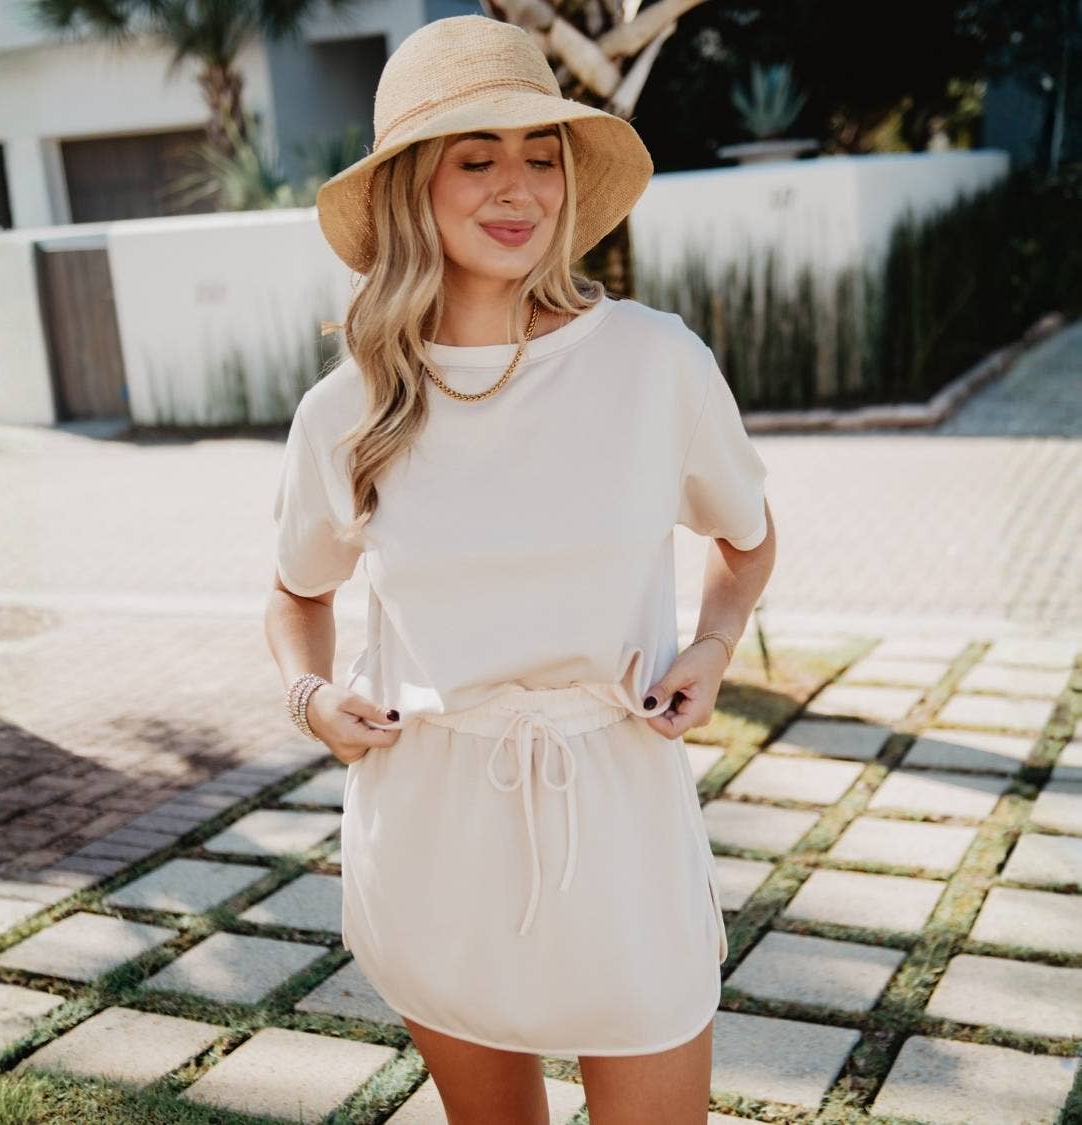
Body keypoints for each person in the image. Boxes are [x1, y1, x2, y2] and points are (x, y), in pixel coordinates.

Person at [264, 14, 776, 1124]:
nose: (519, 188)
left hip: (619, 811)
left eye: (542, 156)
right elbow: (298, 591)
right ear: (410, 187)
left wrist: (713, 643)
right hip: (432, 821)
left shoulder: (654, 361)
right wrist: (310, 696)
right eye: (476, 158)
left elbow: (747, 536)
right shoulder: (347, 409)